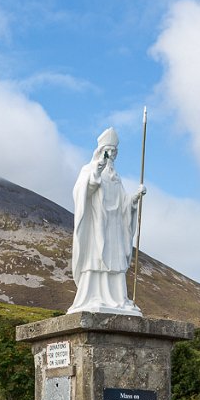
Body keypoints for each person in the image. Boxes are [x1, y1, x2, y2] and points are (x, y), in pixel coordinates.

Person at [68, 127, 146, 315]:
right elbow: (81, 191)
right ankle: (93, 296)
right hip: (97, 225)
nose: (111, 156)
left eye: (114, 152)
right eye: (108, 151)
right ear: (101, 151)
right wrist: (96, 171)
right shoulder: (89, 169)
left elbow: (123, 203)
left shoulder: (116, 177)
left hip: (114, 227)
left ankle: (119, 298)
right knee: (96, 259)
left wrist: (134, 198)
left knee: (115, 262)